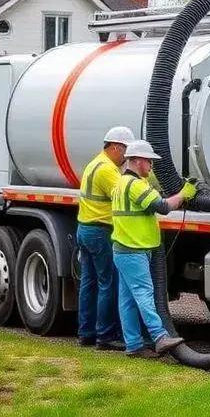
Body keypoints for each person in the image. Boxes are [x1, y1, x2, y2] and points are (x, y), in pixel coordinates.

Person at [111, 139, 196, 357]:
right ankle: (160, 337)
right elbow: (162, 207)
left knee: (128, 299)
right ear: (136, 160)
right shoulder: (135, 185)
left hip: (124, 248)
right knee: (144, 293)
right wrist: (184, 194)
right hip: (134, 249)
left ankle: (133, 346)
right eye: (148, 161)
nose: (151, 165)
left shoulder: (121, 183)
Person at [76, 126, 135, 351]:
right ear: (115, 147)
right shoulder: (107, 169)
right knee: (107, 283)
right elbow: (126, 194)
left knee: (88, 283)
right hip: (100, 231)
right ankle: (106, 335)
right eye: (125, 152)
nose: (126, 158)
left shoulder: (95, 163)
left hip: (85, 228)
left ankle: (86, 332)